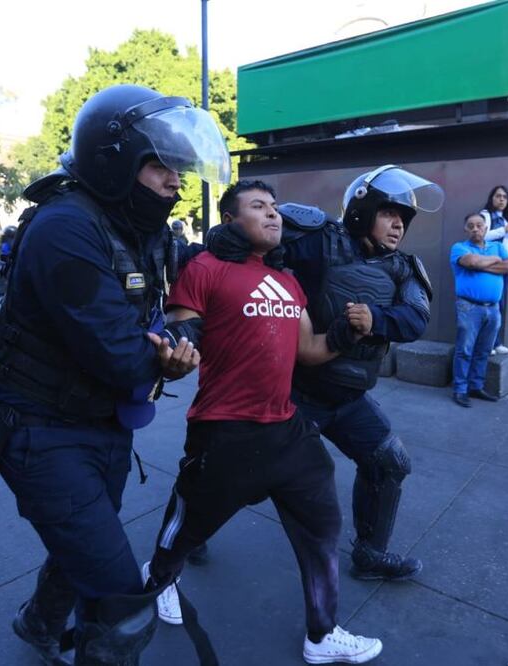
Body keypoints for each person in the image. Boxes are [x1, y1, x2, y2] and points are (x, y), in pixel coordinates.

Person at [0, 83, 229, 666]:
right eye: (161, 166)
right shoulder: (66, 227)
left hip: (102, 424)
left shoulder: (140, 229)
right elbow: (124, 357)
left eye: (178, 169)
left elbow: (193, 286)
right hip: (40, 431)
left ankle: (38, 623)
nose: (176, 181)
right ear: (115, 162)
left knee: (84, 546)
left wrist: (187, 325)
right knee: (121, 604)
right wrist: (172, 348)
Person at [145, 180, 384, 664]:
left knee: (322, 524)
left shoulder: (286, 280)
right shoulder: (205, 268)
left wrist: (347, 333)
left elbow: (309, 350)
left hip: (286, 426)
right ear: (230, 220)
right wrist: (173, 352)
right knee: (191, 524)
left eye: (275, 207)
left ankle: (322, 634)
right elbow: (182, 329)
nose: (273, 214)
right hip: (225, 428)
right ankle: (158, 577)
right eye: (259, 206)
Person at [265, 164, 440, 583]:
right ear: (362, 210)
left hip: (348, 398)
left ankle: (371, 553)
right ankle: (186, 536)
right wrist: (229, 241)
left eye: (404, 218)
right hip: (296, 393)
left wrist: (375, 318)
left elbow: (416, 319)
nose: (398, 224)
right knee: (243, 473)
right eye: (389, 213)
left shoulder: (403, 268)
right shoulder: (319, 239)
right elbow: (261, 237)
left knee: (389, 462)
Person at [451, 211, 508, 407]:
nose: (475, 229)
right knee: (465, 350)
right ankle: (460, 389)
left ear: (486, 228)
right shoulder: (459, 248)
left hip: (493, 309)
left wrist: (481, 265)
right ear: (465, 229)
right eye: (471, 226)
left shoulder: (497, 246)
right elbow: (471, 262)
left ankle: (476, 386)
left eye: (479, 225)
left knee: (484, 350)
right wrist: (494, 260)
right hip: (468, 307)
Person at [481, 185, 508, 354]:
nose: (501, 199)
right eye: (498, 196)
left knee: (499, 305)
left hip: (506, 264)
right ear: (491, 198)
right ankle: (487, 344)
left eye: (505, 197)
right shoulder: (485, 215)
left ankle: (495, 342)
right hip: (490, 264)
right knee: (490, 304)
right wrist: (506, 229)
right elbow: (483, 236)